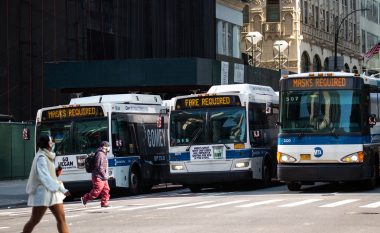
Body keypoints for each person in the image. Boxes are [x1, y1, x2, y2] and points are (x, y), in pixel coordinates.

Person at [23, 134, 70, 233]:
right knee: (34, 220)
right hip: (43, 193)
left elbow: (48, 174)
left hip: (52, 192)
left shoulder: (47, 155)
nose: (53, 143)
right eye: (51, 142)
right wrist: (62, 189)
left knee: (61, 219)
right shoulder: (41, 157)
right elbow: (45, 177)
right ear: (48, 144)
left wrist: (56, 172)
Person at [81, 141, 111, 208]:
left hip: (103, 176)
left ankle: (104, 203)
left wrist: (106, 175)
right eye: (108, 147)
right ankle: (85, 198)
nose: (109, 148)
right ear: (104, 147)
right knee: (96, 191)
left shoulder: (103, 153)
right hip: (98, 176)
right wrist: (105, 175)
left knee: (106, 190)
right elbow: (99, 167)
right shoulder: (100, 154)